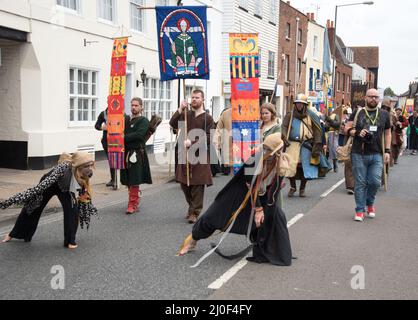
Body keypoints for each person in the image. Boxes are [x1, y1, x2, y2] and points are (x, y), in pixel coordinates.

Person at [177, 133, 292, 267]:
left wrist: (267, 208)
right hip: (240, 193)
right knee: (214, 216)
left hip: (263, 195)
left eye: (269, 150)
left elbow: (274, 189)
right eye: (264, 148)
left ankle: (272, 251)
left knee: (276, 217)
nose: (265, 152)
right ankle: (193, 238)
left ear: (277, 151)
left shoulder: (281, 163)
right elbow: (252, 186)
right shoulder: (254, 160)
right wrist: (258, 209)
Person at [1, 152, 97, 249]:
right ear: (79, 166)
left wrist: (83, 199)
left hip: (65, 189)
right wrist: (12, 200)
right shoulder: (62, 168)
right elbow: (40, 187)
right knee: (33, 208)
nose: (89, 168)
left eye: (90, 165)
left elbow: (83, 186)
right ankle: (13, 234)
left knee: (72, 210)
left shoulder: (88, 172)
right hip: (49, 185)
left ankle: (70, 240)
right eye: (86, 166)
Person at [345, 89, 391, 222]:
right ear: (365, 98)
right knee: (360, 183)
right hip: (358, 153)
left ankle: (369, 203)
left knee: (375, 182)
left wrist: (387, 151)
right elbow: (346, 128)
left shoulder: (384, 114)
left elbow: (387, 133)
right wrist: (356, 132)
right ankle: (359, 210)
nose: (373, 99)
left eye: (376, 97)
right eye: (371, 97)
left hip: (377, 153)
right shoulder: (358, 112)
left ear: (379, 99)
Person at [169, 90, 214, 224]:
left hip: (199, 155)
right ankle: (191, 207)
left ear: (203, 100)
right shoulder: (186, 114)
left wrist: (192, 142)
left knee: (197, 186)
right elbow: (173, 123)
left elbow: (209, 137)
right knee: (184, 184)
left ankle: (195, 212)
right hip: (185, 155)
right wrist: (180, 108)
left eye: (197, 97)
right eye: (192, 97)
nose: (194, 99)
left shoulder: (208, 118)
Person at [281, 93, 330, 198]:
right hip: (292, 144)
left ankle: (302, 188)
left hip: (306, 144)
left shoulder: (311, 115)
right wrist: (284, 136)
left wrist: (317, 144)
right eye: (297, 103)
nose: (299, 105)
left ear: (305, 105)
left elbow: (318, 130)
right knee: (290, 167)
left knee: (305, 168)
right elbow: (284, 126)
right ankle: (293, 187)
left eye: (301, 103)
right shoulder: (290, 114)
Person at [120, 98, 152, 215]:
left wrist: (123, 137)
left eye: (136, 105)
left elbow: (139, 135)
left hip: (136, 153)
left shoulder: (143, 120)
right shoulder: (126, 119)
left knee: (134, 179)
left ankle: (132, 204)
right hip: (125, 152)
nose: (134, 107)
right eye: (132, 105)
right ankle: (135, 198)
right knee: (127, 179)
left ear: (141, 107)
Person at [95, 108, 116, 188]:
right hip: (106, 140)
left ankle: (119, 179)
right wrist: (102, 128)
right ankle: (113, 179)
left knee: (118, 159)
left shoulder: (120, 112)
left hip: (118, 140)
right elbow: (96, 125)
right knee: (111, 160)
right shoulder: (103, 114)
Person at [214, 107, 233, 175]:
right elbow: (218, 128)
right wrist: (217, 140)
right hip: (228, 145)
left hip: (244, 146)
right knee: (233, 172)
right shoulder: (225, 113)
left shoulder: (248, 112)